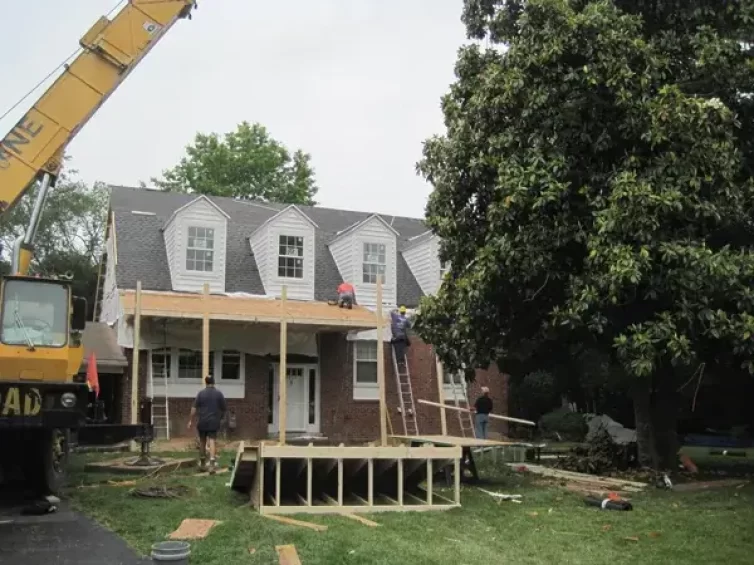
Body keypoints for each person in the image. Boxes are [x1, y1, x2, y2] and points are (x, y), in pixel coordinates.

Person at [187, 375, 227, 474]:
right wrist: (221, 418)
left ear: (205, 382)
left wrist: (190, 420)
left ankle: (203, 463)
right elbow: (224, 409)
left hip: (202, 421)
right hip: (213, 421)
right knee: (212, 440)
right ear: (213, 382)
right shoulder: (219, 394)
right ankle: (212, 464)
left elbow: (193, 409)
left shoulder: (200, 394)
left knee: (202, 441)